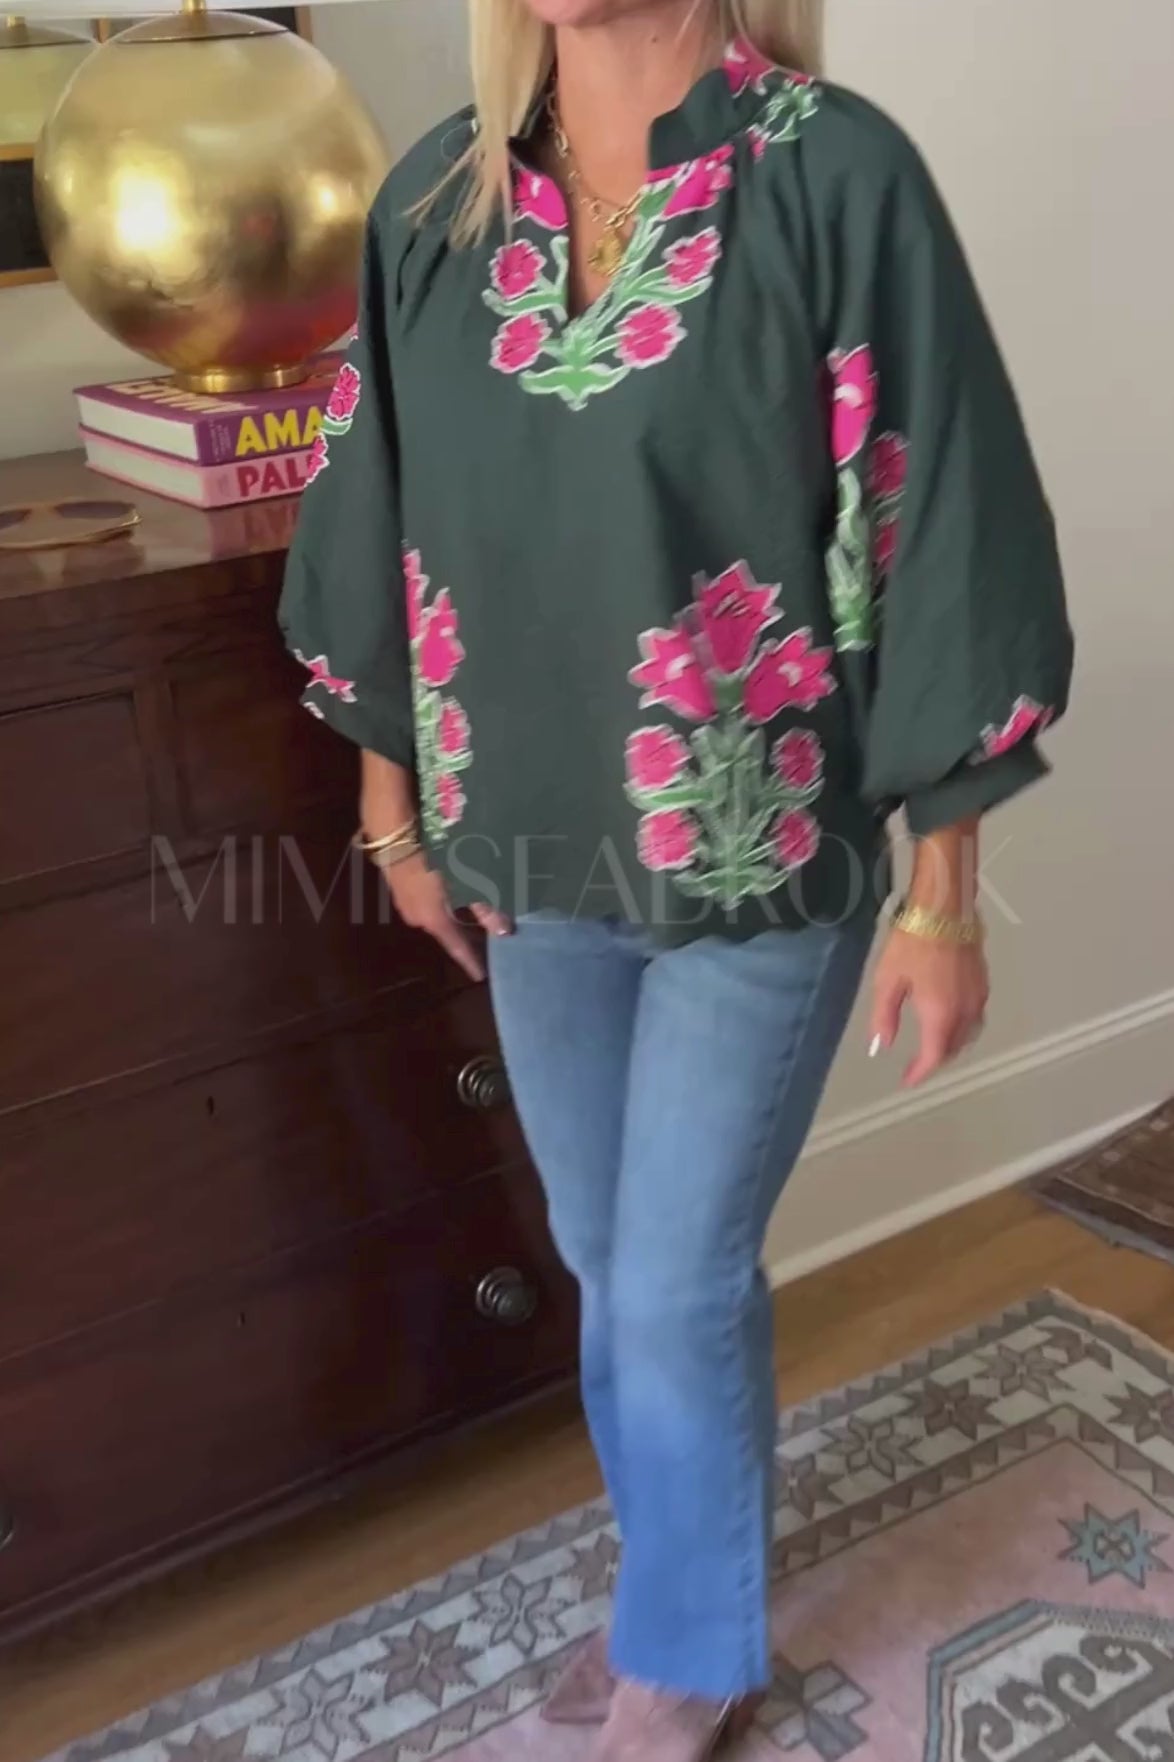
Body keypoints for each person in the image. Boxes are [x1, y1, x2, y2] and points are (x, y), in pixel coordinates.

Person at [279, 1, 1073, 1754]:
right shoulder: (438, 207)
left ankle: (690, 1652)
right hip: (528, 849)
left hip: (757, 857)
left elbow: (933, 514)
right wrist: (393, 815)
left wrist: (941, 892)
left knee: (670, 1275)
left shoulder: (831, 177)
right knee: (604, 1250)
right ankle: (672, 1585)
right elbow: (376, 518)